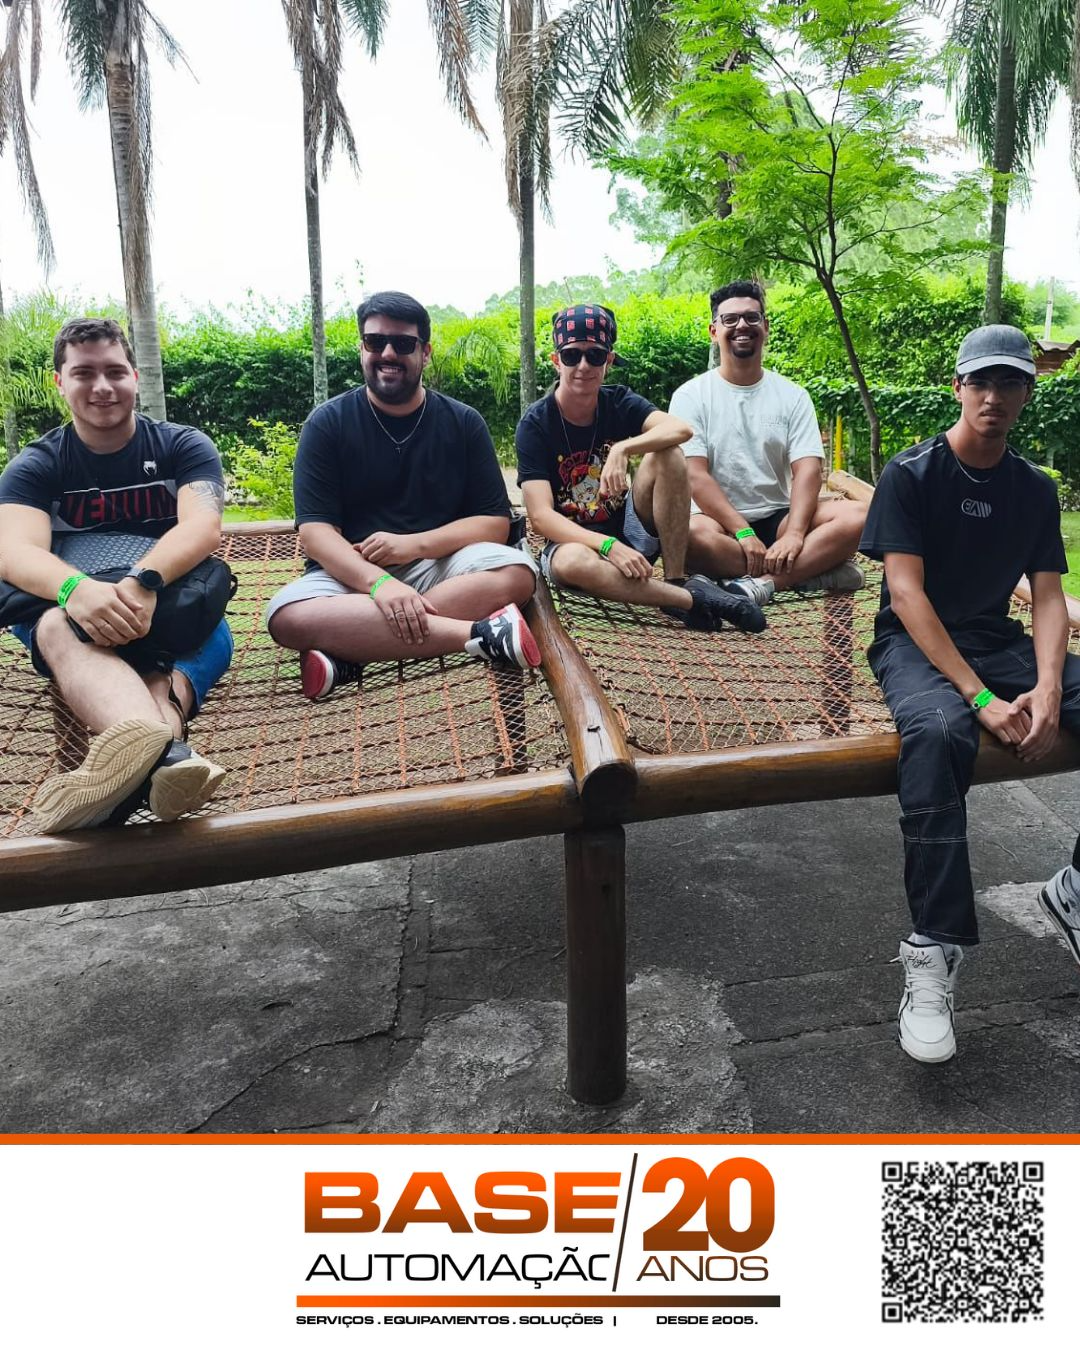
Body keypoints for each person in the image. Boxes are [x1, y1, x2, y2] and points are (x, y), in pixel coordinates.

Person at [860, 324, 1080, 1064]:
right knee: (939, 732)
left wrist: (1047, 685)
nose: (993, 396)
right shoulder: (912, 473)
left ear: (1027, 392)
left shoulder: (1034, 488)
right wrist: (980, 698)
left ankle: (1074, 890)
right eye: (980, 381)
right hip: (913, 643)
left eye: (1009, 382)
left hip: (997, 638)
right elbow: (905, 594)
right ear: (957, 387)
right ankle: (933, 949)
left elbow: (1046, 596)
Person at [0, 317, 231, 833]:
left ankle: (131, 781)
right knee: (57, 626)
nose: (102, 386)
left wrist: (143, 582)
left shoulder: (182, 446)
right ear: (59, 382)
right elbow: (13, 550)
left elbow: (203, 527)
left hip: (177, 611)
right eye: (84, 373)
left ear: (134, 377)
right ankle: (170, 761)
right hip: (70, 615)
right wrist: (75, 588)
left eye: (115, 371)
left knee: (173, 663)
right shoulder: (37, 465)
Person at [266, 291, 540, 694]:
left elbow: (494, 523)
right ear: (362, 348)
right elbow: (316, 534)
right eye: (375, 341)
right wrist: (381, 585)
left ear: (425, 353)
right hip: (350, 576)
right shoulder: (327, 424)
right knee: (286, 617)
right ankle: (478, 634)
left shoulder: (464, 422)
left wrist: (412, 545)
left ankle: (349, 652)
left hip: (441, 566)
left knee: (517, 574)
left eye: (403, 344)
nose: (388, 353)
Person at [516, 303, 767, 633]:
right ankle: (686, 598)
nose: (583, 366)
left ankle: (676, 576)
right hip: (575, 544)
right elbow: (540, 516)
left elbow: (681, 429)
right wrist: (607, 546)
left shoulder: (617, 401)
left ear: (608, 361)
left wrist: (624, 448)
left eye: (595, 355)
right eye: (571, 355)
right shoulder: (536, 423)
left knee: (669, 454)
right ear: (556, 360)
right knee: (572, 563)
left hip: (630, 532)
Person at [669, 280, 867, 605]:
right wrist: (743, 531)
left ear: (766, 327)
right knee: (689, 536)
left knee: (860, 515)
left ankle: (762, 584)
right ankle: (809, 571)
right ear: (714, 331)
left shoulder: (793, 395)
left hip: (779, 518)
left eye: (752, 317)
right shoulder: (690, 396)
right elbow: (694, 475)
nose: (742, 326)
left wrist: (795, 534)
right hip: (716, 524)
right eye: (730, 319)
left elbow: (808, 470)